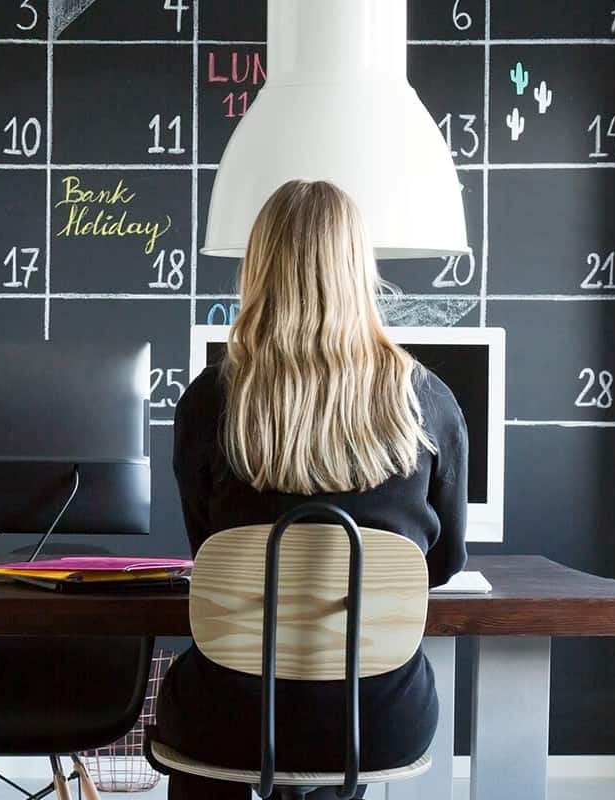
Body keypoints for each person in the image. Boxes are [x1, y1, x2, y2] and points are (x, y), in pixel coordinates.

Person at [153, 180, 468, 799]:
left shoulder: (209, 401)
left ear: (258, 269)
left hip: (230, 715)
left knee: (207, 711)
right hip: (375, 718)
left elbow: (208, 549)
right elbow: (443, 563)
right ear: (360, 270)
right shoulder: (426, 401)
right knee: (343, 711)